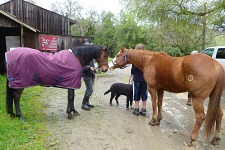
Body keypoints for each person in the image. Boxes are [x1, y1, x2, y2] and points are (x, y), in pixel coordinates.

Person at [131, 44, 148, 116]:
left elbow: (133, 70)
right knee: (144, 93)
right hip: (145, 79)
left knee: (136, 93)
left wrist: (132, 73)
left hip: (137, 78)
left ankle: (137, 109)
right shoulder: (146, 59)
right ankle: (144, 109)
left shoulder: (135, 59)